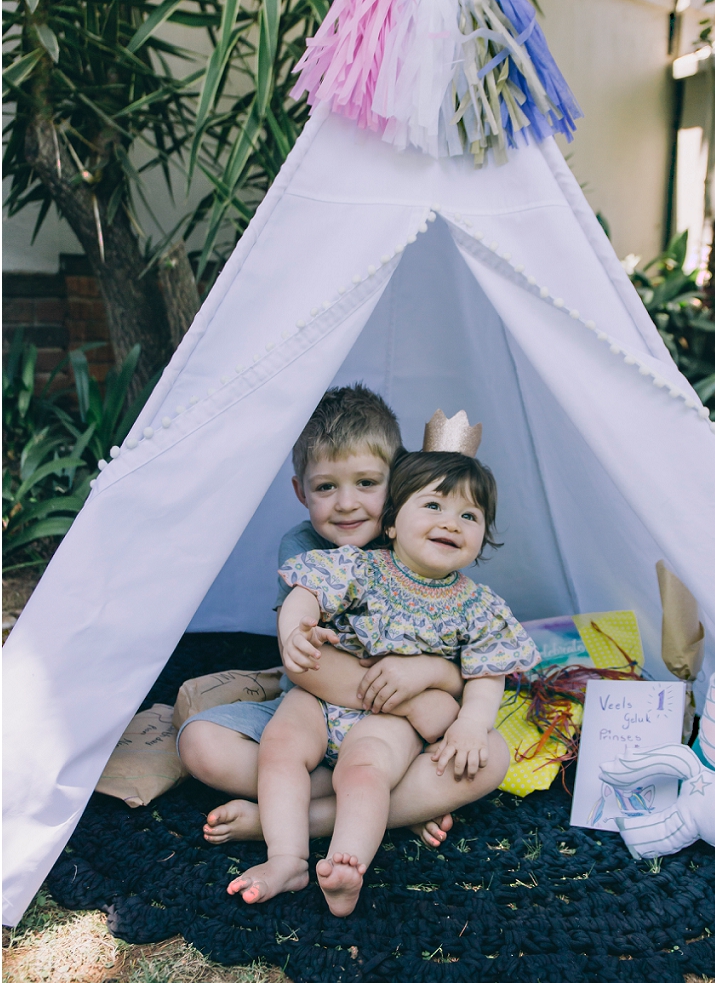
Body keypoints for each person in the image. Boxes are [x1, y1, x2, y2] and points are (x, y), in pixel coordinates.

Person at [178, 387, 507, 850]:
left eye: (367, 484)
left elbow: (471, 669)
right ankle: (393, 805)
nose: (347, 503)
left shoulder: (423, 547)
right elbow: (307, 664)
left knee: (490, 758)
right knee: (201, 744)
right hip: (312, 712)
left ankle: (300, 817)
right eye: (326, 487)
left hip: (395, 740)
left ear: (399, 483)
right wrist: (411, 701)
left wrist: (426, 672)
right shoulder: (305, 549)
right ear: (301, 491)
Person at [228, 450, 539, 915]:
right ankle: (287, 859)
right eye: (434, 506)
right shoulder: (361, 567)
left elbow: (487, 671)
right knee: (280, 747)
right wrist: (299, 628)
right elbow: (307, 591)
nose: (451, 522)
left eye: (469, 515)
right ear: (391, 523)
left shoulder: (478, 605)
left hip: (388, 718)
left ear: (482, 538)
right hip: (322, 700)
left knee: (365, 769)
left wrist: (473, 724)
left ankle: (346, 864)